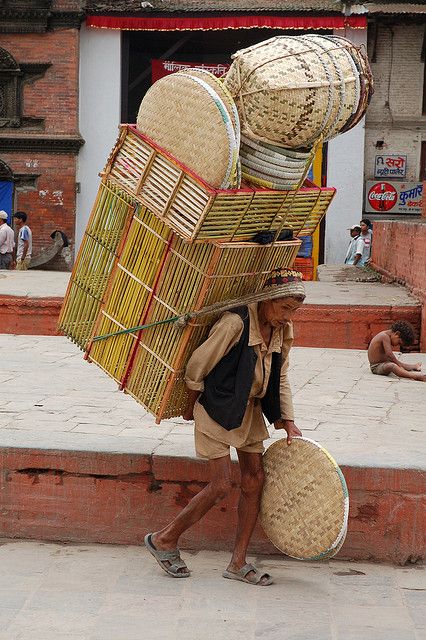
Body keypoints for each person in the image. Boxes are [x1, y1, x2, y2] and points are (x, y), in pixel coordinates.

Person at [145, 268, 305, 586]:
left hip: (249, 412)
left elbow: (280, 375)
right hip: (216, 408)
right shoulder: (235, 323)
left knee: (254, 480)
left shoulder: (283, 331)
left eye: (294, 311)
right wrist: (191, 407)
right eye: (285, 308)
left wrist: (287, 418)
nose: (288, 317)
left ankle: (238, 563)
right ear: (266, 299)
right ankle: (163, 539)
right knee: (220, 485)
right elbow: (197, 366)